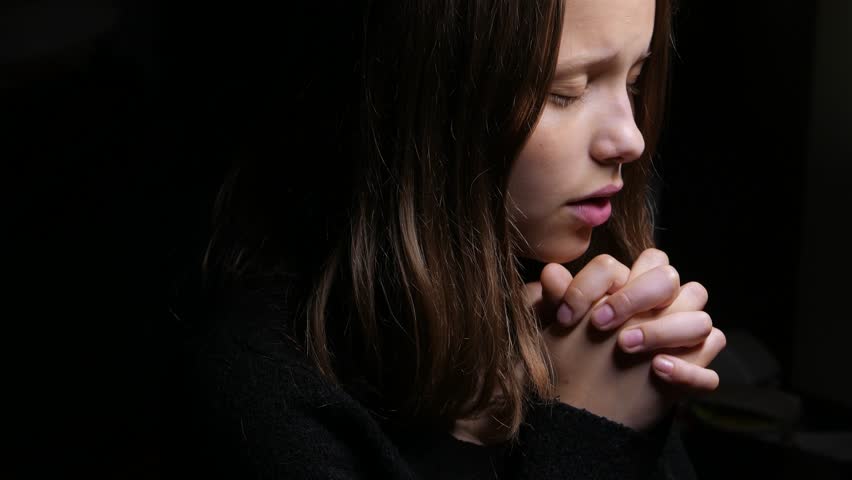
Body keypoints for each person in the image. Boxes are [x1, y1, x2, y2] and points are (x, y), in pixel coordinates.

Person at [167, 0, 726, 478]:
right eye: (566, 91)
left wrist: (638, 401)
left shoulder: (583, 312)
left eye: (633, 80)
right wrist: (587, 430)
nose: (629, 137)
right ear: (430, 104)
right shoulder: (264, 389)